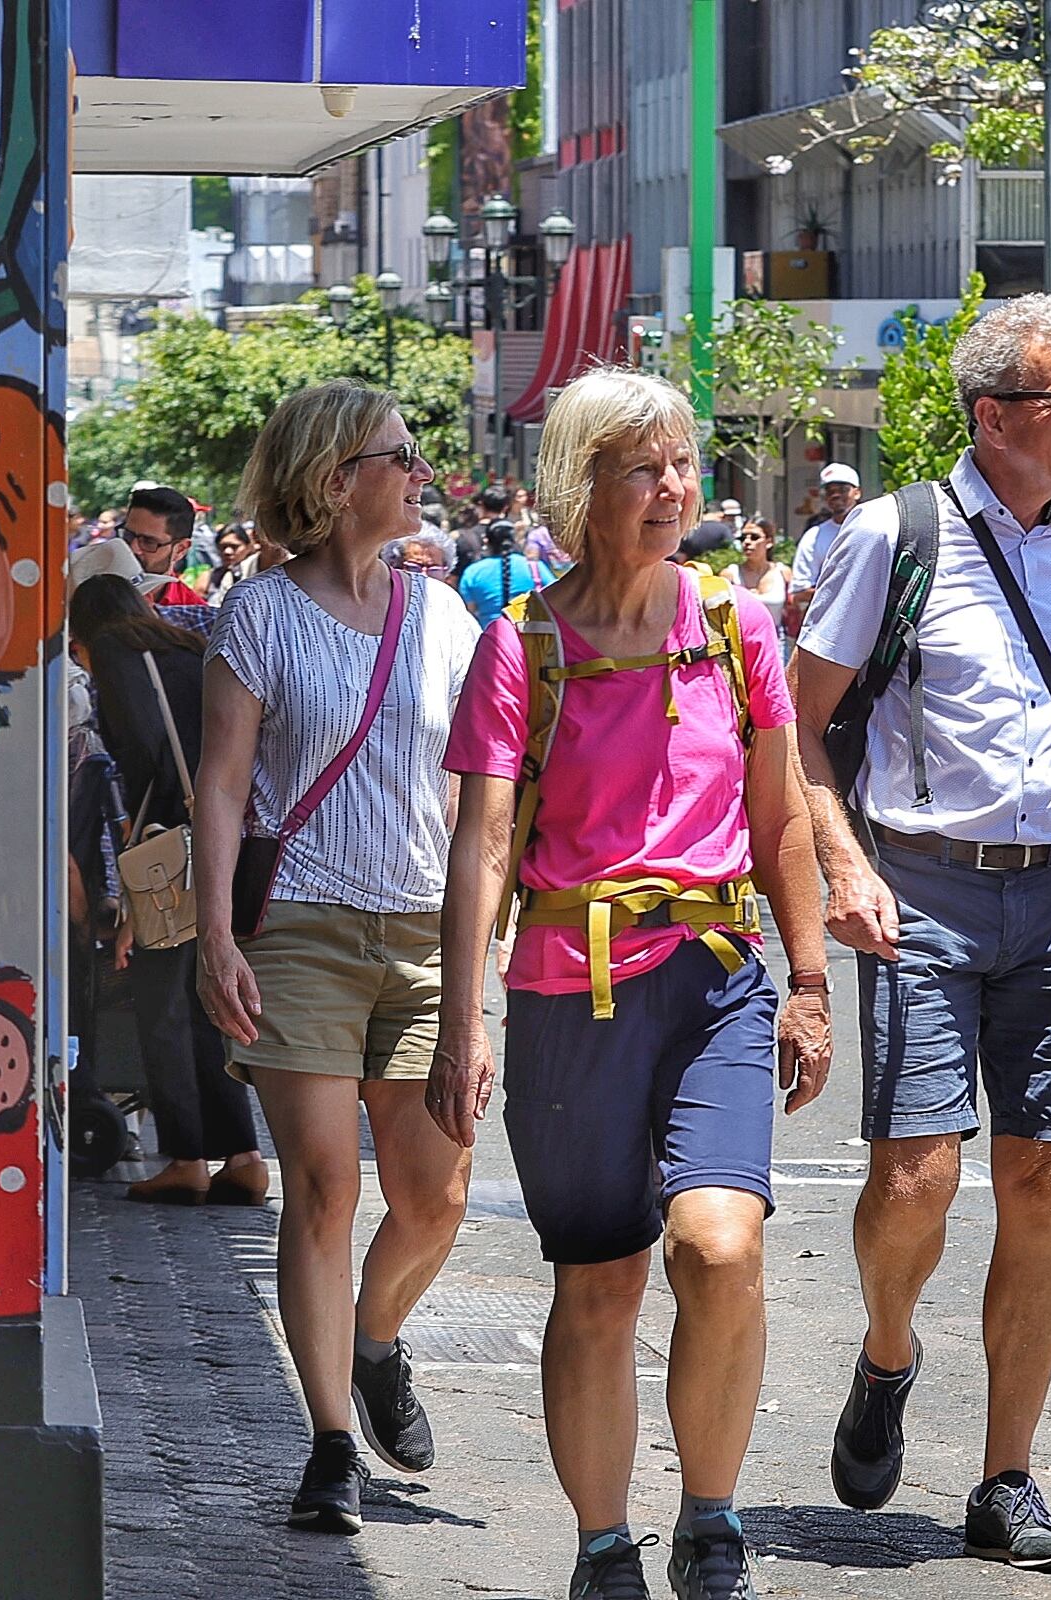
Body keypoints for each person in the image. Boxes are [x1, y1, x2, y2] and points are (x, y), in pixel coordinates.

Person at [430, 368, 833, 1600]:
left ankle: (711, 1519)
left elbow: (783, 818)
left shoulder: (735, 626)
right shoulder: (523, 645)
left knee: (720, 1246)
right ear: (580, 488)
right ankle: (605, 1546)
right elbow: (485, 843)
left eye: (680, 463)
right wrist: (463, 1021)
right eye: (640, 468)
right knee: (599, 1279)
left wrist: (809, 980)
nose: (671, 489)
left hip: (714, 977)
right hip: (568, 990)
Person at [791, 292, 1051, 1573]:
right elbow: (801, 726)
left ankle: (1007, 1474)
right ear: (993, 415)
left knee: (1047, 1179)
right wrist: (843, 866)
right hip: (925, 891)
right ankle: (890, 1347)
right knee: (914, 1178)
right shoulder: (892, 537)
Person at [190, 379, 485, 1534]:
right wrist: (217, 932)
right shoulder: (258, 616)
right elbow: (221, 784)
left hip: (421, 932)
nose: (420, 473)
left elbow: (479, 802)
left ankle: (374, 1340)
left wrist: (481, 961)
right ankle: (326, 1444)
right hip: (298, 929)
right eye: (399, 456)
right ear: (334, 479)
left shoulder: (445, 617)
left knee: (438, 1191)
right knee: (323, 1184)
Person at [68, 575, 269, 1207]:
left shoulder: (119, 661)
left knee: (161, 1006)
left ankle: (185, 1157)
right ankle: (242, 1155)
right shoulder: (184, 647)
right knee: (208, 1004)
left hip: (169, 851)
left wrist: (129, 868)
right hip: (227, 837)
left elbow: (147, 758)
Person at [788, 464, 864, 635]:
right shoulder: (813, 537)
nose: (835, 495)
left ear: (857, 492)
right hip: (827, 629)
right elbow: (799, 592)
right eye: (829, 491)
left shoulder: (879, 529)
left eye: (843, 489)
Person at [123, 485, 214, 605]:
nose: (132, 548)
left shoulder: (193, 615)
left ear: (180, 550)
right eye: (128, 535)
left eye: (148, 542)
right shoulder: (93, 584)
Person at [459, 517, 538, 626]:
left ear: (486, 541)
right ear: (513, 539)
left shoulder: (472, 572)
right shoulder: (534, 567)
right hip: (530, 636)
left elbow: (470, 611)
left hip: (488, 636)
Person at [729, 520, 791, 643]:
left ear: (769, 542)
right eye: (743, 538)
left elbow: (791, 608)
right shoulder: (731, 574)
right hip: (740, 642)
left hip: (776, 641)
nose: (747, 542)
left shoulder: (783, 572)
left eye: (754, 537)